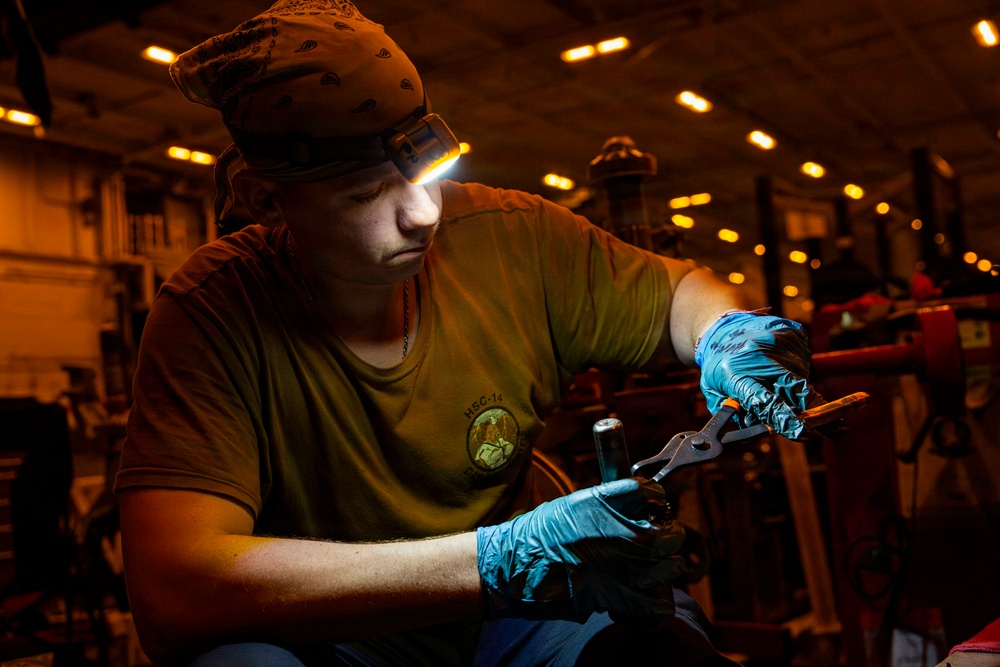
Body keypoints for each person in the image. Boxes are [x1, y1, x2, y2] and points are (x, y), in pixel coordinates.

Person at [114, 2, 835, 665]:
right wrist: (497, 559)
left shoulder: (505, 237)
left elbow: (676, 291)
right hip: (327, 637)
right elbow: (175, 591)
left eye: (427, 169)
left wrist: (726, 332)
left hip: (524, 619)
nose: (422, 213)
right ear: (265, 199)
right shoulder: (210, 314)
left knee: (655, 651)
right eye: (367, 192)